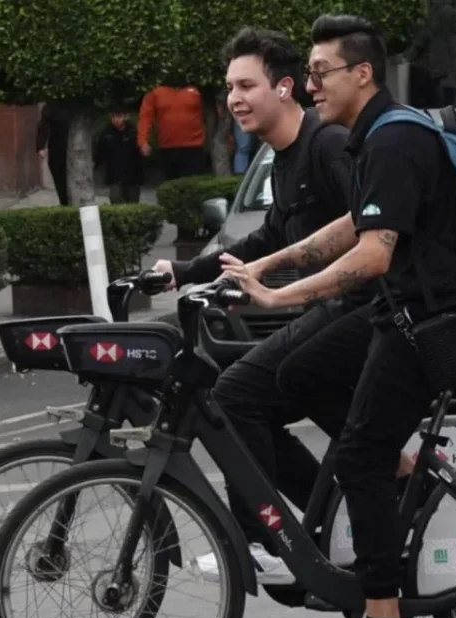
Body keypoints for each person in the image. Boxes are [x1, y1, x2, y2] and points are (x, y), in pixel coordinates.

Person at [222, 14, 456, 618]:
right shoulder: (374, 137)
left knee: (358, 460)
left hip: (424, 325)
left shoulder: (394, 140)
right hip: (406, 316)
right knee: (298, 374)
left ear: (361, 73)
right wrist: (265, 266)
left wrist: (281, 296)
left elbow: (371, 255)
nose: (309, 86)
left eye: (319, 73)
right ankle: (392, 479)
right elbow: (346, 226)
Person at [150, 26, 361, 585]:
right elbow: (265, 237)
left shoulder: (327, 145)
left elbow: (369, 227)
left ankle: (262, 542)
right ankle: (328, 529)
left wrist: (275, 282)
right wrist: (184, 271)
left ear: (286, 87)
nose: (234, 98)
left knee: (236, 393)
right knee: (259, 404)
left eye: (246, 85)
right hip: (332, 314)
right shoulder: (284, 156)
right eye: (229, 87)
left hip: (364, 313)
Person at [94, 107, 145, 204]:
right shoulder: (106, 133)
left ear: (126, 117)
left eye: (119, 116)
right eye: (113, 117)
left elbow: (140, 155)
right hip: (114, 176)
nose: (116, 120)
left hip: (132, 176)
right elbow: (100, 153)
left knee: (133, 204)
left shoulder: (134, 133)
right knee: (116, 201)